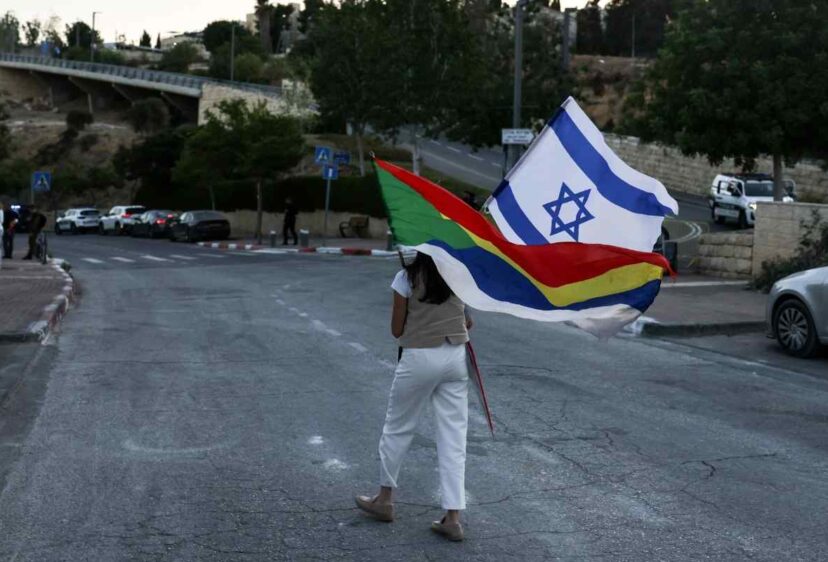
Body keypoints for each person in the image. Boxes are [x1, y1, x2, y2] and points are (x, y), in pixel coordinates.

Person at [355, 252, 473, 542]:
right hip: (455, 356)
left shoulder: (405, 278)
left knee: (398, 427)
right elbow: (467, 322)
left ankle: (384, 499)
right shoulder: (457, 272)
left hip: (419, 355)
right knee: (454, 437)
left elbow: (396, 329)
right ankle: (453, 518)